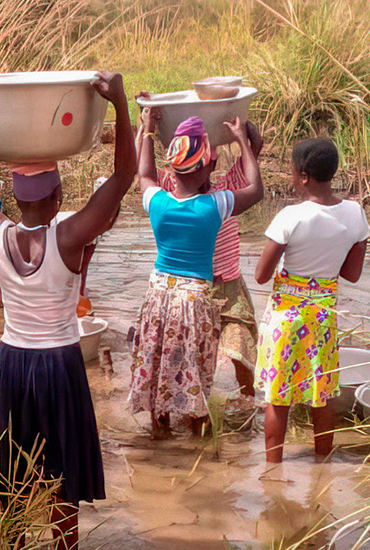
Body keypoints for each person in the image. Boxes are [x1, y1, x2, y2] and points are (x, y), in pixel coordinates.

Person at [0, 70, 132, 550]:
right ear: (58, 198)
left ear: (16, 198)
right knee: (63, 476)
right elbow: (124, 177)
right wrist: (122, 106)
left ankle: (15, 544)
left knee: (13, 473)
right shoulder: (68, 236)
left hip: (15, 364)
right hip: (60, 363)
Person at [129, 111, 264, 439]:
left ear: (172, 168)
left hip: (160, 295)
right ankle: (200, 438)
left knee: (158, 360)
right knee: (194, 371)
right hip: (195, 298)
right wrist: (241, 141)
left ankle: (159, 432)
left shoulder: (159, 200)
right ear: (206, 166)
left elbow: (142, 173)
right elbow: (256, 189)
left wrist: (148, 129)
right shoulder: (215, 205)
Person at [253, 138, 370, 463]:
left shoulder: (291, 217)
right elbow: (351, 273)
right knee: (322, 395)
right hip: (322, 317)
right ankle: (323, 465)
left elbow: (261, 275)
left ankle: (272, 473)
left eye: (293, 170)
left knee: (278, 397)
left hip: (286, 318)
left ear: (303, 176)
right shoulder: (355, 214)